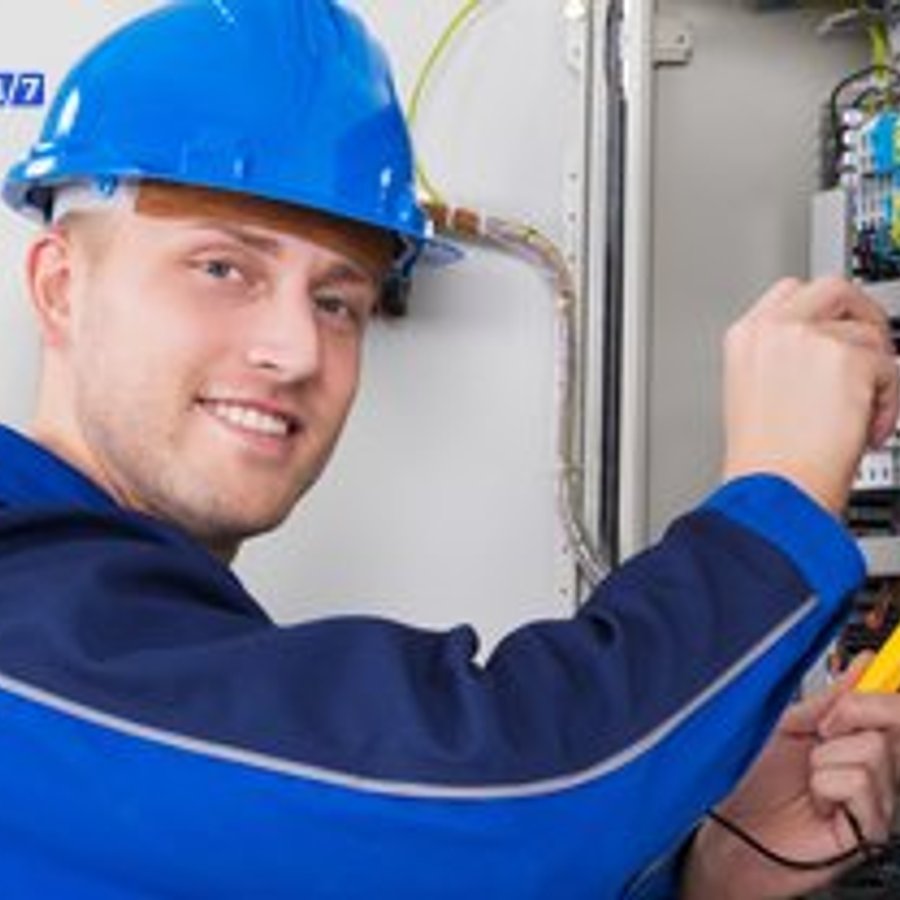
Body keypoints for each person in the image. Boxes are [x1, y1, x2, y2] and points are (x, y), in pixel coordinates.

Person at [0, 1, 897, 898]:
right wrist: (778, 493)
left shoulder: (138, 642)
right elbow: (514, 795)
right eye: (223, 268)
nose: (297, 350)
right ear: (61, 288)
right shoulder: (33, 629)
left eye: (337, 300)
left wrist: (697, 872)